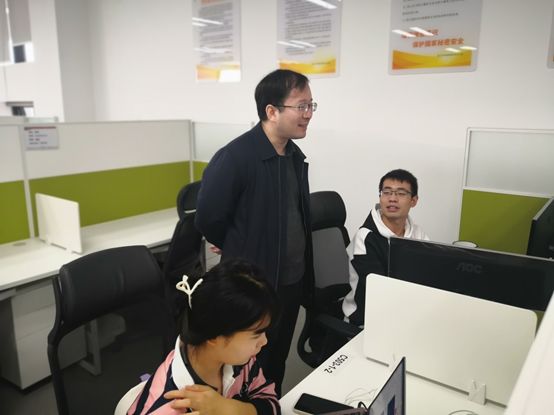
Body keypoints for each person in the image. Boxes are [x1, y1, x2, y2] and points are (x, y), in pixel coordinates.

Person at [195, 69, 315, 396]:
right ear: (272, 111)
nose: (308, 114)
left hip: (290, 283)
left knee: (276, 362)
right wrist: (233, 241)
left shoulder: (293, 156)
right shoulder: (236, 157)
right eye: (301, 106)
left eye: (311, 106)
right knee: (246, 368)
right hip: (254, 287)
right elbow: (207, 217)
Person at [127, 258, 282, 415]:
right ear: (214, 336)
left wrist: (229, 408)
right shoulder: (166, 406)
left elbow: (271, 402)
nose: (264, 341)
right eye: (256, 335)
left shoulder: (241, 362)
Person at [342, 169, 429, 327]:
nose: (392, 198)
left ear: (414, 201)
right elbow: (379, 291)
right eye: (387, 192)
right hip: (367, 321)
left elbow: (429, 275)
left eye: (401, 193)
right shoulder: (365, 238)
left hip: (406, 314)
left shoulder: (417, 233)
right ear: (380, 197)